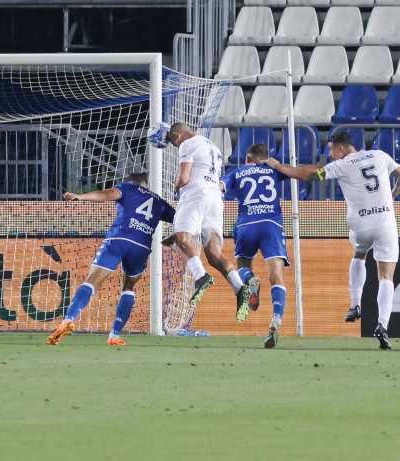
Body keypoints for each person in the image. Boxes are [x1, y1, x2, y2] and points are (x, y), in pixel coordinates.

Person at [264, 131, 400, 349]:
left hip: (360, 224)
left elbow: (307, 174)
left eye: (332, 151)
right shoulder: (380, 155)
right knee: (386, 276)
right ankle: (382, 326)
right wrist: (393, 194)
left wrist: (279, 166)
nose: (331, 156)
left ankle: (355, 304)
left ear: (342, 148)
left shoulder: (343, 165)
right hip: (385, 221)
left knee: (359, 253)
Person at [45, 173, 175, 346]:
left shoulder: (127, 188)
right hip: (141, 247)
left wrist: (80, 196)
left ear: (130, 183)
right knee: (128, 286)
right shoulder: (159, 201)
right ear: (146, 185)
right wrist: (175, 239)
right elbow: (182, 219)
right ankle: (114, 335)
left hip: (119, 239)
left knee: (92, 280)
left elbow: (106, 194)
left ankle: (67, 320)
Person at [165, 123, 253, 322]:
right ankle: (240, 288)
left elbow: (185, 178)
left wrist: (175, 186)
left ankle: (200, 276)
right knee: (214, 254)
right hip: (215, 199)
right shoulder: (213, 146)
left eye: (173, 141)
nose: (174, 145)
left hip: (196, 194)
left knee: (180, 237)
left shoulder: (187, 144)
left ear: (178, 135)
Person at [221, 144, 289, 348]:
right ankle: (276, 318)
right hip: (271, 225)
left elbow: (220, 187)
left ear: (248, 159)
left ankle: (250, 280)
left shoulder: (238, 171)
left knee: (242, 264)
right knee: (276, 274)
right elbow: (296, 172)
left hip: (246, 224)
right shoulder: (273, 170)